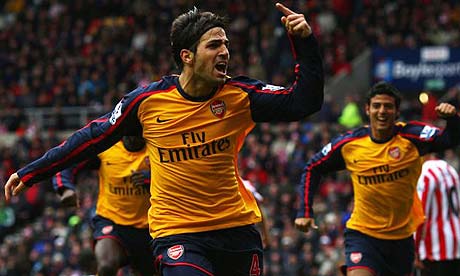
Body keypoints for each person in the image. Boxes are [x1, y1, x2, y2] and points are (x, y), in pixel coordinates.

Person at [4, 2, 324, 275]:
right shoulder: (147, 102)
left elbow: (304, 102)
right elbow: (93, 136)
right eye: (214, 45)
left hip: (236, 229)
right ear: (187, 55)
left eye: (225, 44)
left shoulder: (240, 96)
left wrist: (304, 44)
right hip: (178, 232)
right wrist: (33, 172)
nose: (225, 51)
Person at [294, 81, 460, 276]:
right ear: (367, 109)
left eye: (388, 106)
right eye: (376, 106)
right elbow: (313, 166)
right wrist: (304, 211)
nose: (382, 111)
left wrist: (453, 118)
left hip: (402, 239)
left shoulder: (412, 138)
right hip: (363, 236)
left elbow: (451, 138)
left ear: (397, 112)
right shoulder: (350, 144)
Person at [52, 136, 155, 276]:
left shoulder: (157, 146)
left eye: (136, 130)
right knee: (106, 266)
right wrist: (65, 188)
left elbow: (181, 176)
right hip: (112, 221)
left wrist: (152, 178)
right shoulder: (106, 147)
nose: (133, 137)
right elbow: (69, 161)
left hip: (152, 227)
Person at [414, 152, 460, 276]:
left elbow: (420, 214)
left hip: (434, 248)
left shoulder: (426, 173)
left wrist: (415, 250)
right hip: (455, 245)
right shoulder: (450, 169)